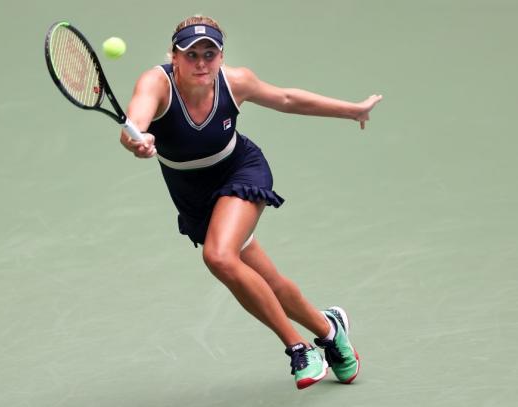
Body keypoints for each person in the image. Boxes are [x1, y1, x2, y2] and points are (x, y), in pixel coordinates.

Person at [120, 15, 382, 390]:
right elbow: (136, 120)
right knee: (267, 280)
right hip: (192, 194)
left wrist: (352, 109)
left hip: (240, 173)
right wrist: (137, 140)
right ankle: (330, 329)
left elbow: (288, 99)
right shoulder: (156, 84)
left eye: (209, 54)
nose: (201, 63)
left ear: (221, 57)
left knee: (220, 257)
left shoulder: (235, 81)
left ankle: (298, 348)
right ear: (173, 57)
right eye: (190, 54)